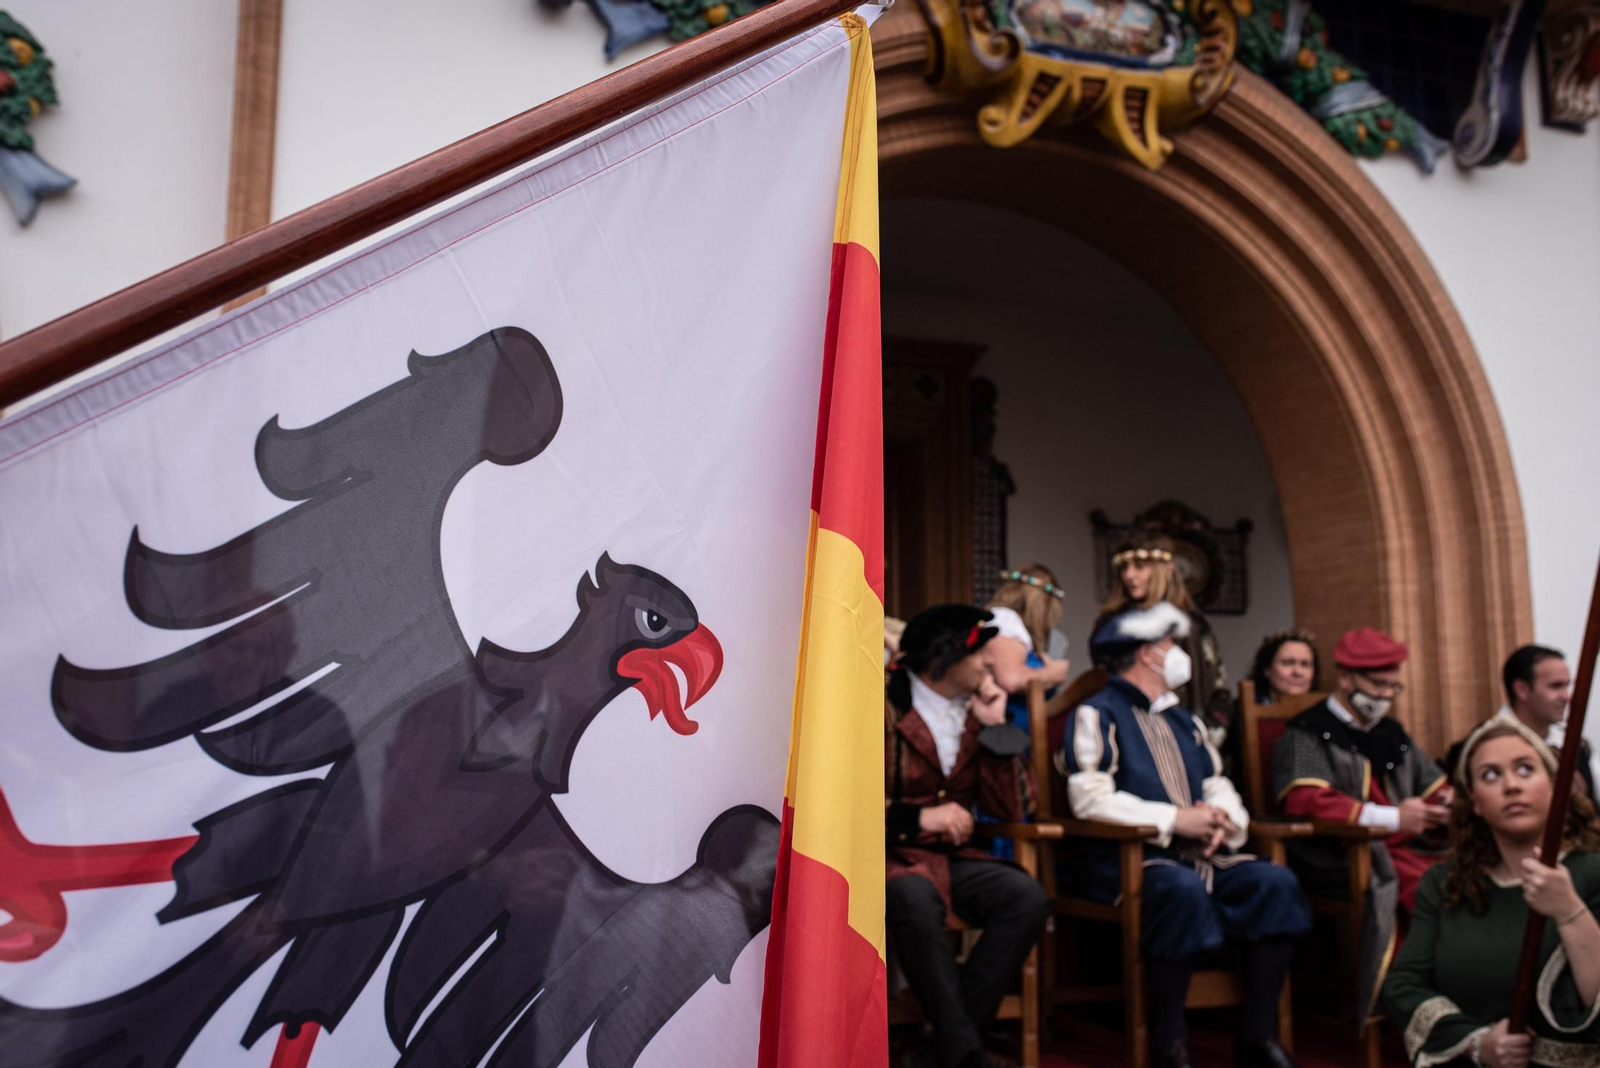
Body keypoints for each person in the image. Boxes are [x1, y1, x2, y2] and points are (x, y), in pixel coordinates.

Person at [1058, 601, 1310, 1068]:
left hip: (1203, 855)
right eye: (1169, 644)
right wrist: (1175, 820)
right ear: (1146, 652)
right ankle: (1169, 1043)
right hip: (1129, 862)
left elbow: (1216, 782)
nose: (1177, 653)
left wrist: (1221, 819)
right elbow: (1089, 798)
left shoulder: (1184, 720)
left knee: (1275, 884)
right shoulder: (1097, 713)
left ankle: (1256, 1036)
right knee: (1180, 890)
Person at [886, 604, 1049, 1068]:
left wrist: (996, 728)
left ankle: (948, 1049)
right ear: (947, 657)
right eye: (979, 654)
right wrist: (916, 820)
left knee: (1024, 896)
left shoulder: (977, 712)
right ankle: (966, 1053)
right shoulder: (881, 704)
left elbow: (1017, 809)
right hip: (887, 855)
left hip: (955, 859)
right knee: (913, 897)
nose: (988, 665)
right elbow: (841, 799)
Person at [1383, 718, 1600, 1067]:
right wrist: (1477, 1043)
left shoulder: (1592, 872)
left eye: (1525, 769)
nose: (1511, 785)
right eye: (1490, 775)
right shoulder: (1444, 885)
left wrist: (1569, 910)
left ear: (1556, 785)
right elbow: (1404, 985)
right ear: (1475, 803)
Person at [1270, 626, 1452, 1024]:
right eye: (1377, 684)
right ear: (1346, 678)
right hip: (1336, 853)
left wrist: (1449, 803)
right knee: (1425, 886)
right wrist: (1394, 818)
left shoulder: (1392, 734)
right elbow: (1306, 802)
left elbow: (1434, 784)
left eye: (1393, 687)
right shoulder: (1307, 732)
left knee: (1465, 876)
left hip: (1403, 847)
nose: (1386, 695)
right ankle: (1408, 1001)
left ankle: (1459, 991)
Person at [1094, 532, 1232, 747]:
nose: (1129, 575)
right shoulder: (1111, 627)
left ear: (1163, 570)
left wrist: (1202, 740)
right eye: (1124, 568)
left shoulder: (1193, 625)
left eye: (1139, 566)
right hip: (1129, 736)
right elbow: (1104, 683)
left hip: (1187, 735)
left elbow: (1218, 690)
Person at [1441, 645, 1598, 802]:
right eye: (1555, 686)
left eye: (1567, 685)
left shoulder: (1575, 747)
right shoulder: (1475, 748)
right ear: (1521, 690)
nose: (1566, 696)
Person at [1247, 630, 1320, 704]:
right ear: (1267, 669)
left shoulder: (1323, 712)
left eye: (1305, 664)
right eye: (1288, 663)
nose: (1298, 672)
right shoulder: (1240, 710)